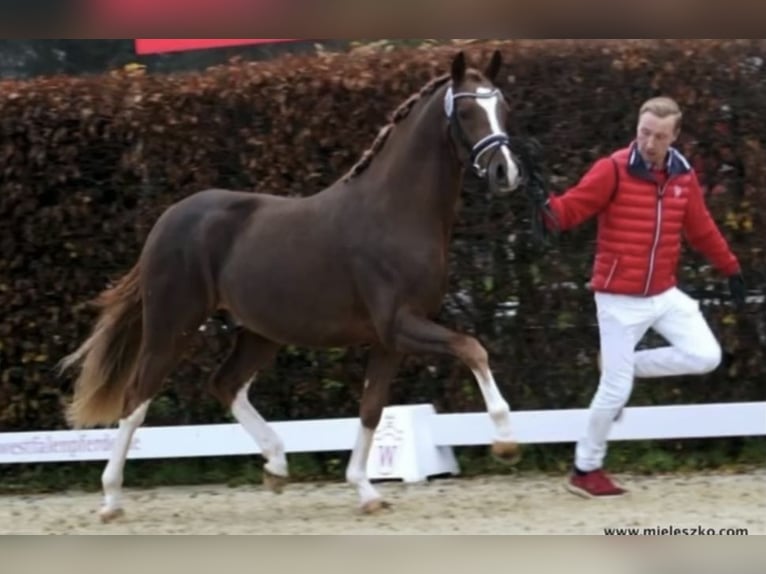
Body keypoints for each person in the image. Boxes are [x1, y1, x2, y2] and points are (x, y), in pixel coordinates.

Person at [539, 96, 747, 498]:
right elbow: (569, 210)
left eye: (660, 136)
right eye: (644, 132)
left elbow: (701, 229)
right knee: (615, 390)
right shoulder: (612, 169)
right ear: (637, 128)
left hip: (663, 292)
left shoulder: (683, 176)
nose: (650, 142)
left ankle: (622, 365)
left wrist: (731, 268)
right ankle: (585, 469)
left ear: (675, 135)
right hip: (617, 298)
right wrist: (543, 208)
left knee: (706, 355)